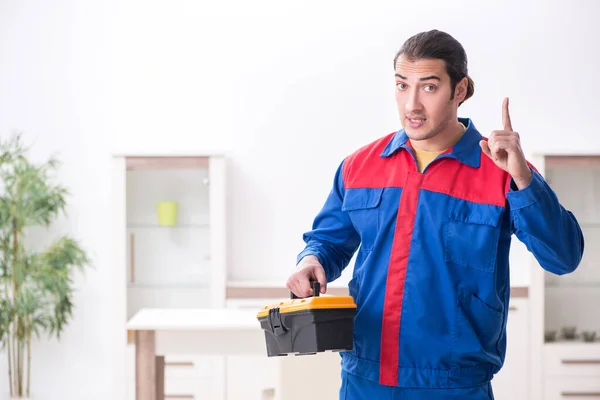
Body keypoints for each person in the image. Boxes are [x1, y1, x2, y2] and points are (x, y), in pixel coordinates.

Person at [286, 29, 584, 400]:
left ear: (459, 90)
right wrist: (311, 260)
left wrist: (523, 179)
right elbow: (328, 242)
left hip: (454, 384)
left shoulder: (501, 170)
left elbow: (563, 257)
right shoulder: (360, 167)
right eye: (401, 86)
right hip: (366, 377)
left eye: (428, 87)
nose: (412, 104)